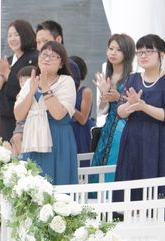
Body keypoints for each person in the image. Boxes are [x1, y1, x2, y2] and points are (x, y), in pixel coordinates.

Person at [14, 41, 77, 185]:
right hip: (32, 139)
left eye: (53, 56)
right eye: (43, 55)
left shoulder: (66, 81)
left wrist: (45, 88)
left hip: (57, 139)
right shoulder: (30, 82)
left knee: (57, 186)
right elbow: (18, 115)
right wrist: (31, 92)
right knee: (32, 186)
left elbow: (58, 114)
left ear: (61, 64)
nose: (47, 59)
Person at [115, 34, 165, 200]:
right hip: (133, 137)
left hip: (158, 138)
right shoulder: (132, 78)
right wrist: (130, 105)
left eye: (148, 51)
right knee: (131, 175)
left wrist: (143, 106)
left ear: (161, 54)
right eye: (140, 52)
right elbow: (120, 112)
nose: (143, 55)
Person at [91, 34, 135, 181]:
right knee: (101, 166)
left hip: (125, 129)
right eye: (111, 48)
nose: (113, 53)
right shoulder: (106, 77)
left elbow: (135, 106)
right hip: (108, 127)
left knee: (116, 166)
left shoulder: (133, 77)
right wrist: (104, 94)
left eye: (118, 49)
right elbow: (101, 111)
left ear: (127, 52)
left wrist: (118, 98)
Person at [0, 19, 39, 142]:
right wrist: (1, 80)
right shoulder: (8, 60)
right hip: (5, 118)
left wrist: (7, 73)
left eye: (16, 34)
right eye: (9, 36)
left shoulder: (35, 57)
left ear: (26, 34)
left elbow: (27, 89)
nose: (12, 39)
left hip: (22, 120)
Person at [70, 56, 95, 154]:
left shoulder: (85, 91)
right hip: (68, 129)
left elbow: (83, 119)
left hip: (81, 133)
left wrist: (69, 105)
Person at [10, 65, 37, 155]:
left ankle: (22, 157)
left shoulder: (36, 92)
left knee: (17, 137)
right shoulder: (20, 95)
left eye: (25, 80)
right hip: (21, 121)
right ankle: (19, 158)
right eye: (20, 81)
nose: (22, 83)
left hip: (30, 120)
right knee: (15, 141)